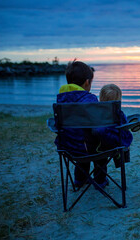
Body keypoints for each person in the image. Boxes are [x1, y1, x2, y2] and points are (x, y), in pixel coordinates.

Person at [55, 60, 108, 189]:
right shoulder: (90, 99)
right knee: (99, 148)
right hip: (88, 147)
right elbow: (99, 122)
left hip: (68, 146)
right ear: (87, 82)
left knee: (80, 142)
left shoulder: (61, 100)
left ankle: (80, 180)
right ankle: (100, 181)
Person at [94, 84, 133, 154]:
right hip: (115, 144)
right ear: (118, 100)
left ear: (101, 98)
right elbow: (124, 126)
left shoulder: (96, 113)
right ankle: (119, 161)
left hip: (98, 144)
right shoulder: (119, 114)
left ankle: (100, 165)